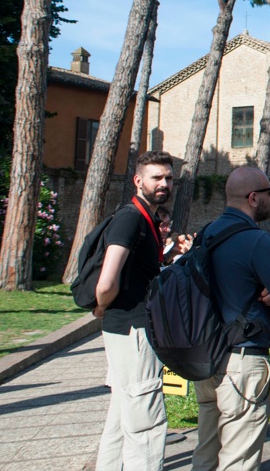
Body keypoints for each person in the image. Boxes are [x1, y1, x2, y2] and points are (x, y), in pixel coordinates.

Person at [191, 167, 270, 471]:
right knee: (238, 460)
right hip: (242, 362)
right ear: (254, 198)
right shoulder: (257, 241)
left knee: (205, 453)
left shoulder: (205, 235)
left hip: (205, 357)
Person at [94, 150, 187, 471]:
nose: (164, 183)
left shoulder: (143, 217)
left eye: (169, 178)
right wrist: (101, 307)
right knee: (146, 424)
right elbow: (107, 281)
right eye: (156, 177)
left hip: (129, 327)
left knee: (121, 416)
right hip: (133, 329)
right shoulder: (132, 218)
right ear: (138, 181)